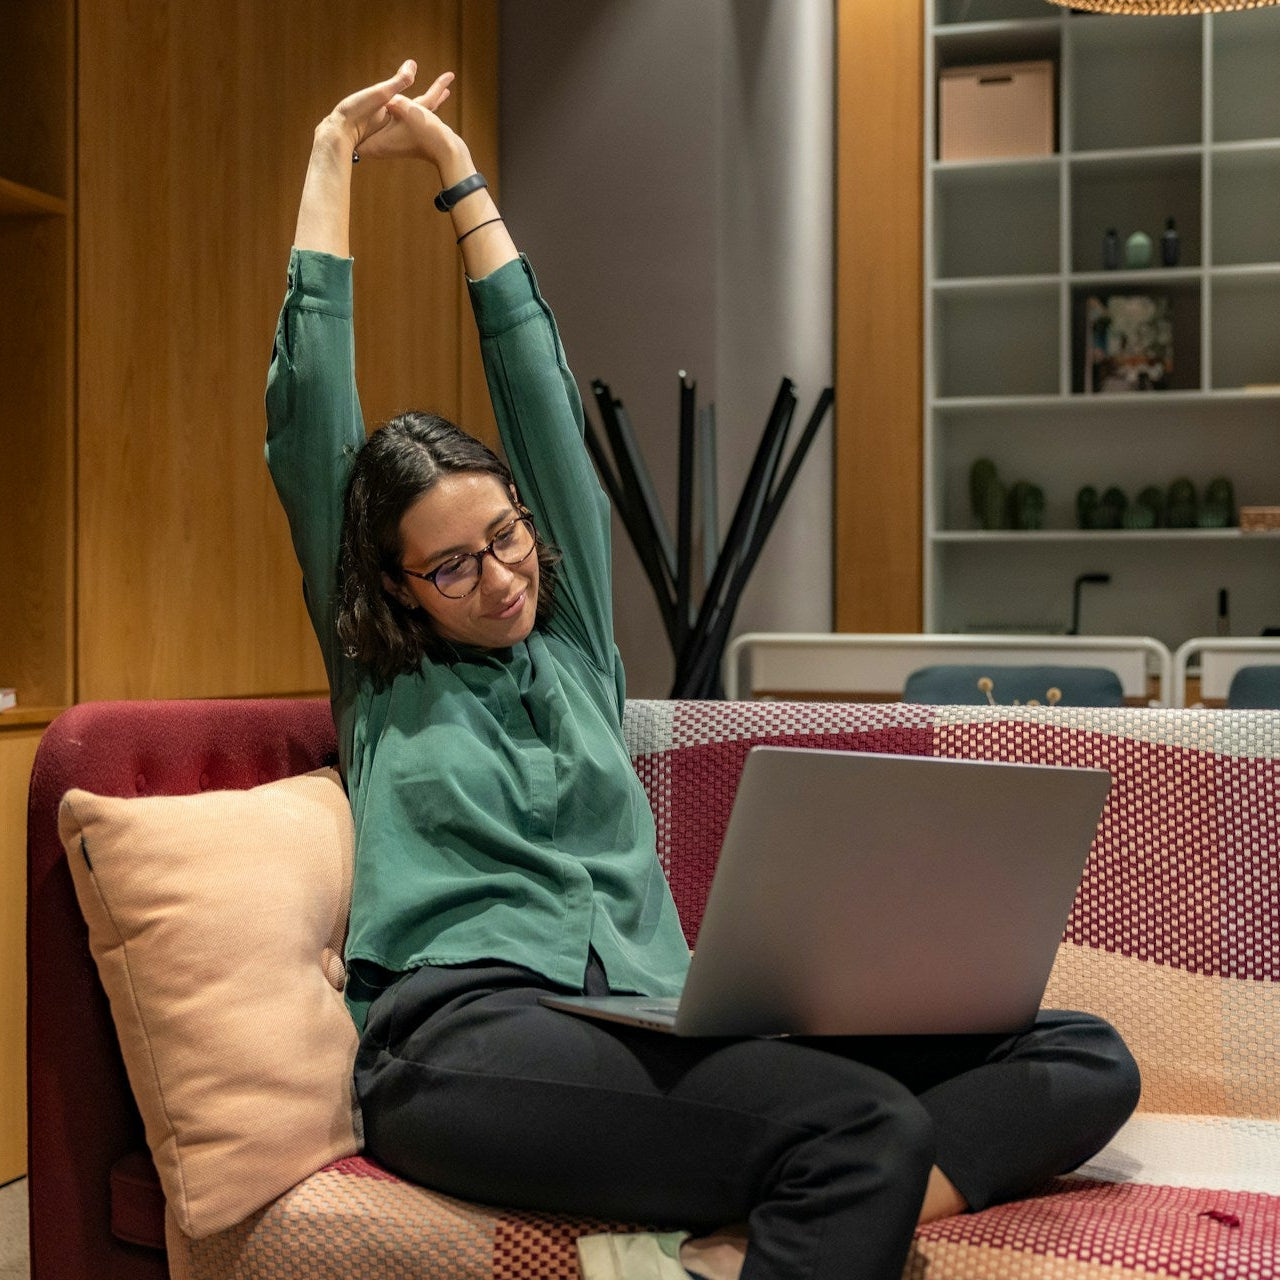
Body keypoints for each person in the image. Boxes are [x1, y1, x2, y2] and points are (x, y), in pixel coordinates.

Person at [266, 61, 1141, 1280]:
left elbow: (540, 401)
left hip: (650, 1018)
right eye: (452, 567)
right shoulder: (383, 677)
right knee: (854, 1122)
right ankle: (841, 1183)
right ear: (396, 586)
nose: (500, 574)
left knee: (1081, 1050)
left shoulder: (573, 642)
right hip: (459, 1038)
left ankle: (808, 1213)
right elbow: (311, 410)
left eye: (507, 533)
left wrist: (461, 180)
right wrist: (328, 159)